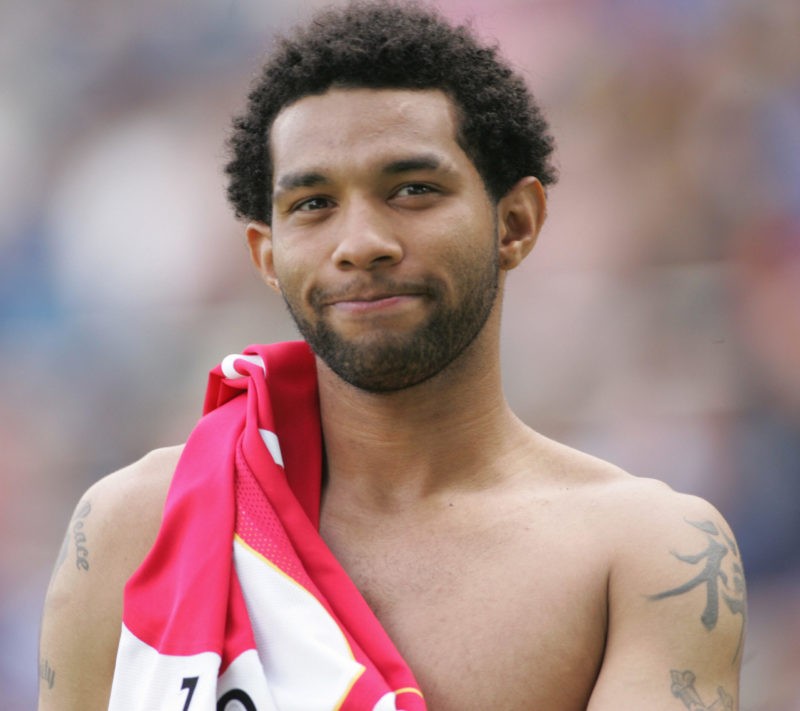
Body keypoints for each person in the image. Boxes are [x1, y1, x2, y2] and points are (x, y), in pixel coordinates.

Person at [38, 2, 747, 709]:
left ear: (517, 222)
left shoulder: (646, 555)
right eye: (313, 203)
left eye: (412, 189)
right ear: (266, 255)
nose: (361, 241)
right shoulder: (132, 527)